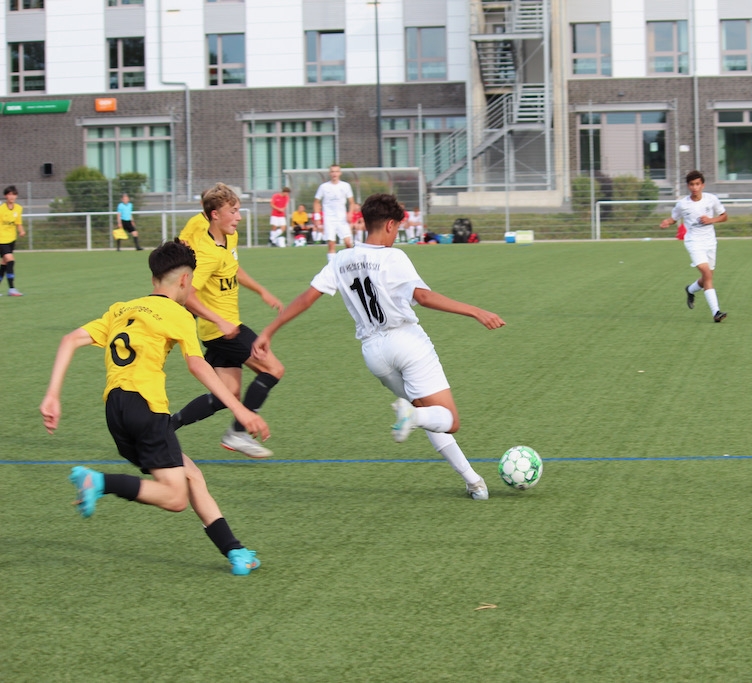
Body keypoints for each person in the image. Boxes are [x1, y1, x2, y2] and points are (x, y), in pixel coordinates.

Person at [252, 193, 505, 500]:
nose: (396, 233)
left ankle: (474, 482)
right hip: (406, 342)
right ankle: (414, 419)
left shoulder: (341, 259)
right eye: (397, 227)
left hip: (374, 353)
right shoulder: (393, 257)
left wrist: (269, 331)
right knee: (448, 419)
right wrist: (476, 311)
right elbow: (423, 297)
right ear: (388, 225)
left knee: (424, 412)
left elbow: (306, 298)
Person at [39, 239, 269, 576]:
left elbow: (69, 340)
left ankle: (235, 552)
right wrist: (240, 409)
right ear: (185, 280)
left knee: (190, 474)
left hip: (115, 410)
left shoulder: (122, 309)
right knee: (175, 498)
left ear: (153, 279)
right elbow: (198, 365)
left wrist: (52, 395)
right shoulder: (178, 314)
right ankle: (98, 482)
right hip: (146, 407)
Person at [172, 183, 285, 459]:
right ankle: (238, 432)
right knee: (273, 369)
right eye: (233, 211)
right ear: (214, 215)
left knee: (229, 394)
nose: (239, 217)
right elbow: (187, 296)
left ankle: (165, 426)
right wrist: (220, 322)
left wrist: (261, 290)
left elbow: (234, 269)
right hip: (222, 331)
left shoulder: (228, 238)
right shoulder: (207, 253)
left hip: (224, 329)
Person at [659, 170, 728, 323]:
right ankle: (716, 312)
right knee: (707, 275)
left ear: (703, 185)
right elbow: (674, 218)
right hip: (694, 243)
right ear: (688, 186)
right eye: (692, 184)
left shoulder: (711, 199)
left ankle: (690, 289)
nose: (695, 187)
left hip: (710, 242)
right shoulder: (683, 204)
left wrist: (711, 220)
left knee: (707, 278)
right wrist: (667, 222)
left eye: (697, 184)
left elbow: (724, 216)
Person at [313, 164, 356, 258]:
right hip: (329, 219)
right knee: (331, 244)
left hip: (342, 218)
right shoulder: (324, 187)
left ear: (340, 173)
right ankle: (331, 265)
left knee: (348, 243)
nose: (334, 174)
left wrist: (350, 213)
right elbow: (316, 202)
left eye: (336, 171)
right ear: (329, 173)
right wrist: (317, 218)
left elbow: (351, 202)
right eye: (332, 171)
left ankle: (349, 263)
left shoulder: (345, 186)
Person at [0, 185, 26, 296]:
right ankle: (12, 289)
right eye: (9, 194)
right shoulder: (1, 209)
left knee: (4, 264)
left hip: (11, 239)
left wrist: (21, 231)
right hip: (1, 240)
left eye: (14, 194)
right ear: (5, 196)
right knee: (11, 261)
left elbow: (18, 223)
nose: (12, 197)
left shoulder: (18, 208)